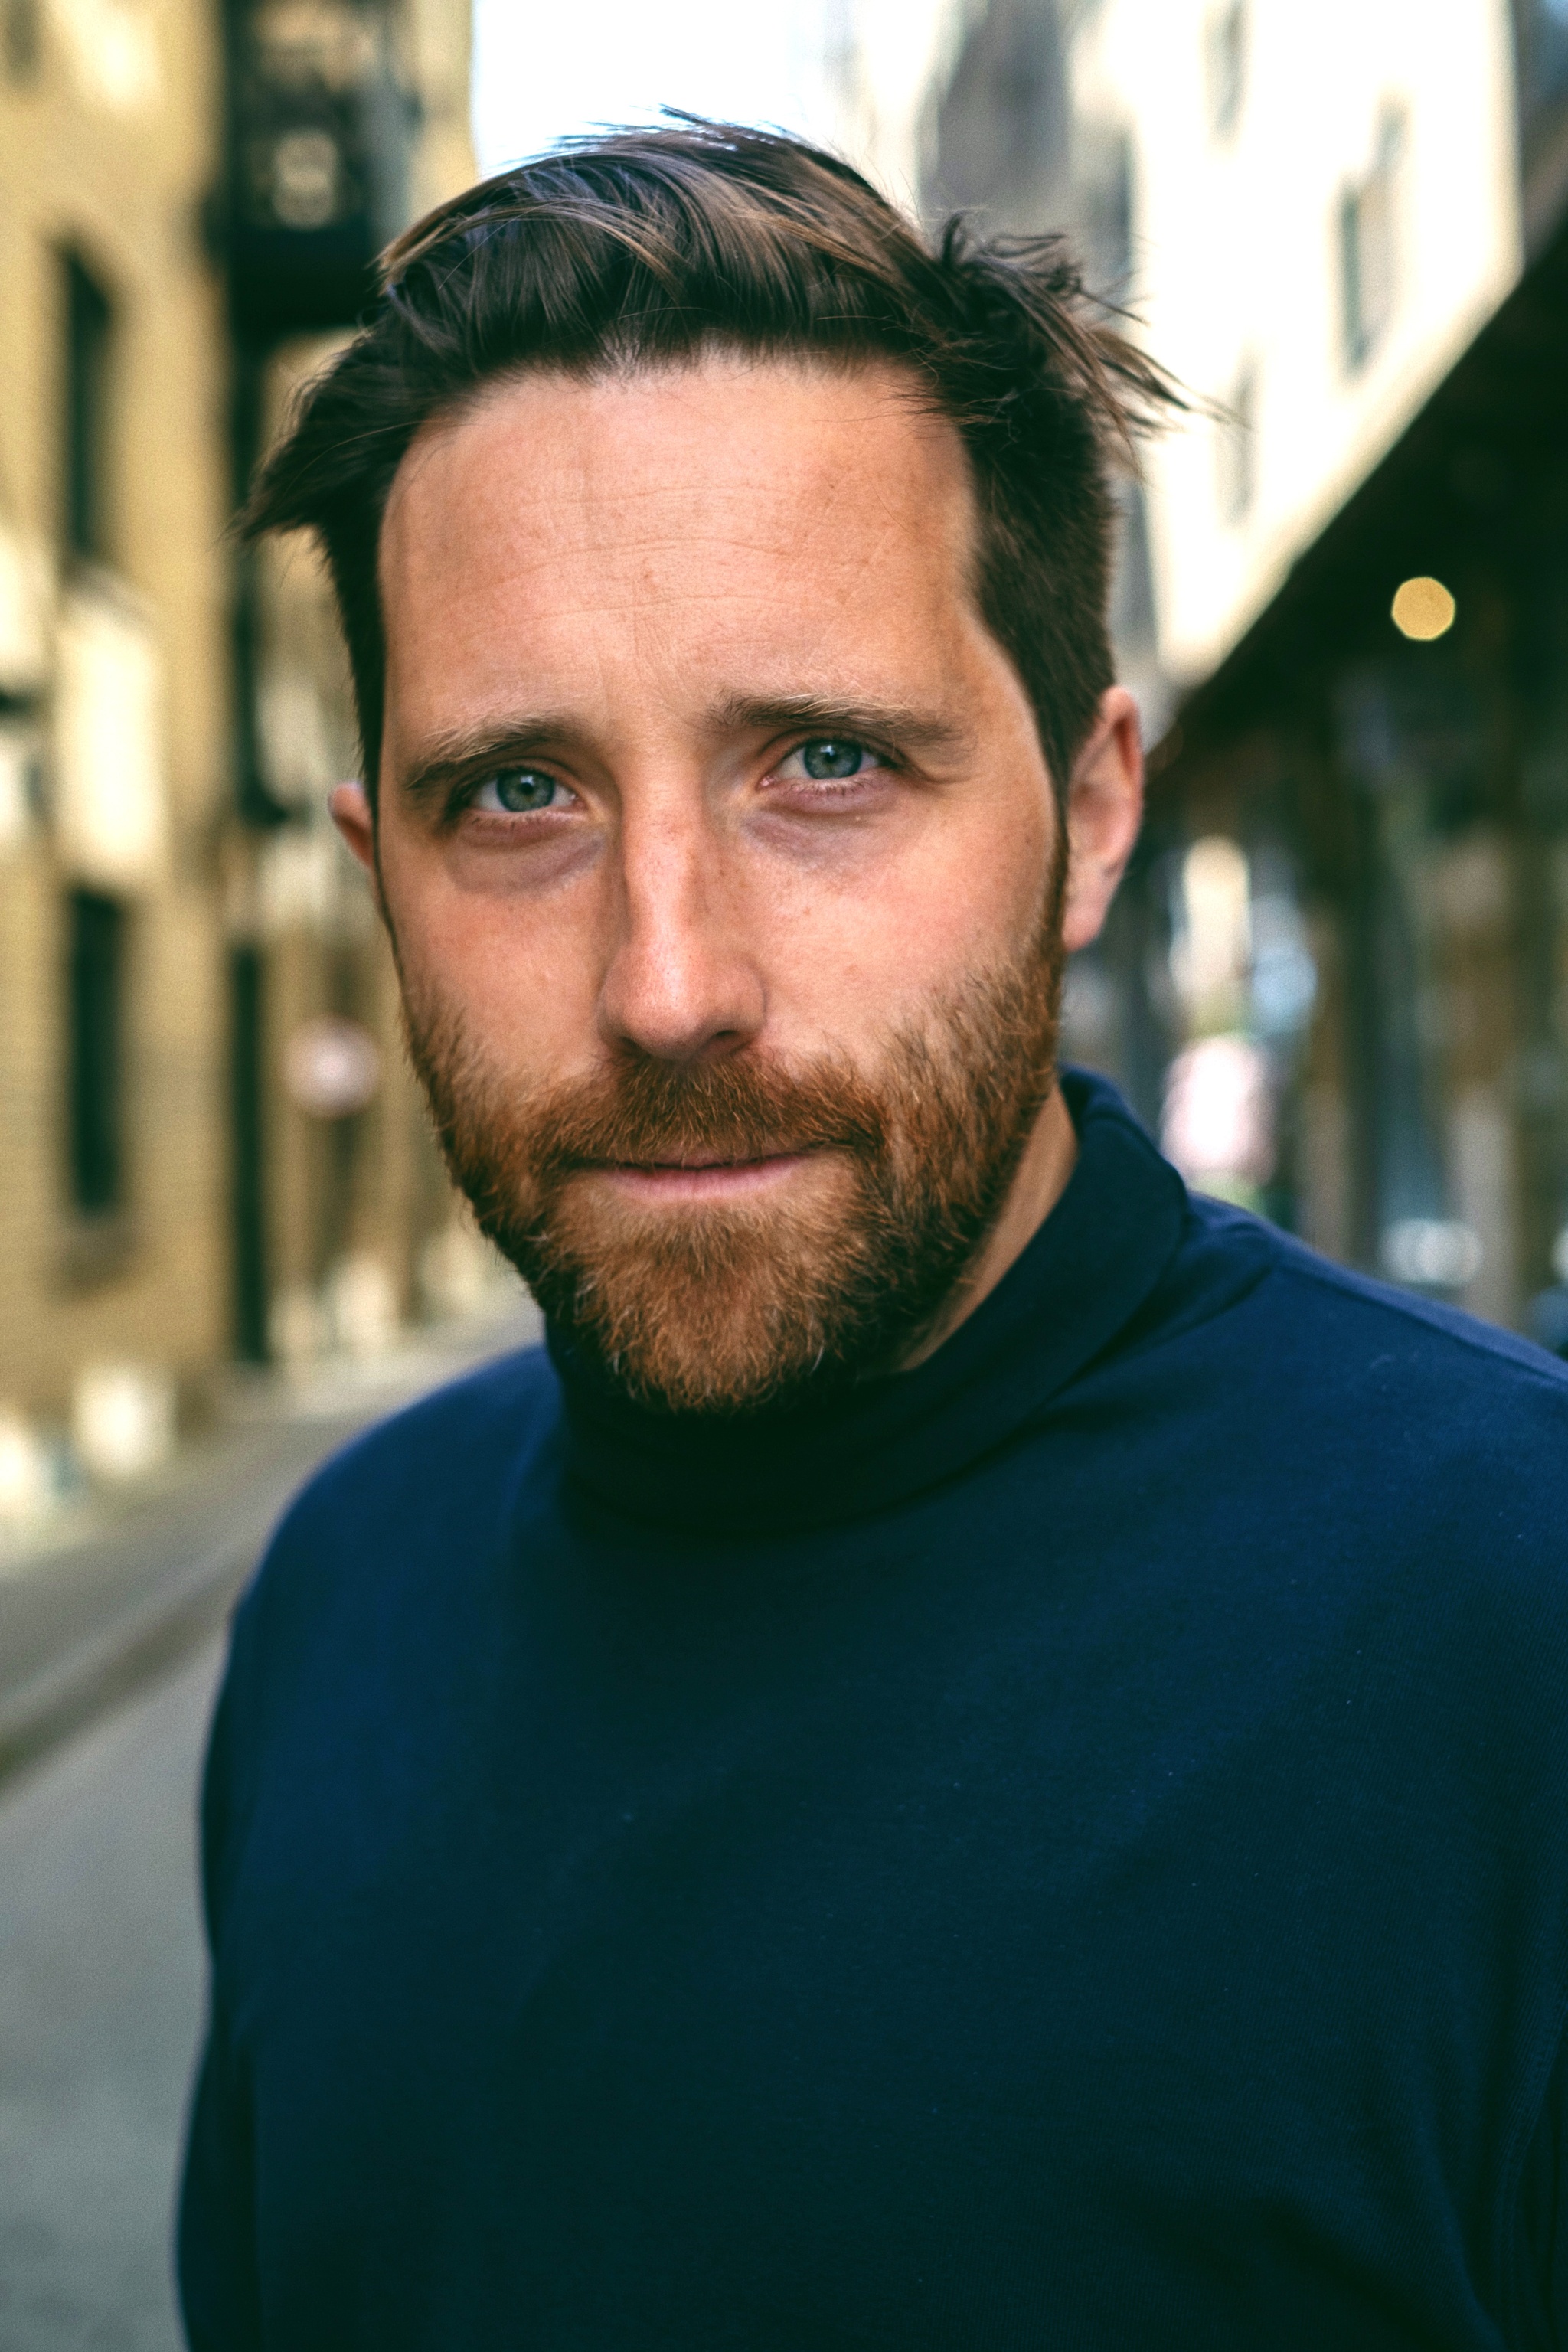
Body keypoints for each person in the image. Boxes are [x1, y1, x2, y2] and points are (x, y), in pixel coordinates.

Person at [178, 122, 1568, 2350]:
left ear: (1090, 813)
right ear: (380, 866)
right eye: (516, 794)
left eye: (824, 760)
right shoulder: (346, 1597)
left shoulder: (1515, 1626)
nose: (667, 984)